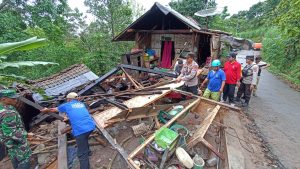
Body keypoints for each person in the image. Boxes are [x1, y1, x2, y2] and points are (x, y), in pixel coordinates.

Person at [41, 92, 95, 169]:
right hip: (91, 127)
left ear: (69, 99)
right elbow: (78, 114)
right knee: (84, 138)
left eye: (67, 99)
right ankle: (88, 152)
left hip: (81, 131)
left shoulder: (67, 105)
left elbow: (54, 109)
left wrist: (47, 110)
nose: (67, 100)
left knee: (81, 154)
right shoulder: (81, 104)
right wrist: (69, 118)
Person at [0, 89, 31, 169]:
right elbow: (11, 133)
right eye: (13, 98)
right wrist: (26, 134)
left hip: (7, 143)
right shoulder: (8, 113)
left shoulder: (3, 108)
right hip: (17, 143)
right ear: (4, 99)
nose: (16, 100)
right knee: (24, 160)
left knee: (14, 158)